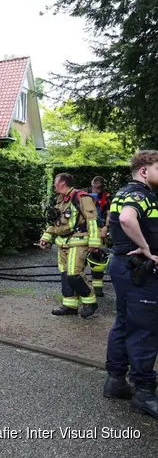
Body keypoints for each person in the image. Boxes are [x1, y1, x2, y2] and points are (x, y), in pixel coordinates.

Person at [103, 150, 158, 418]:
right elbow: (126, 218)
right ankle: (144, 393)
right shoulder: (139, 194)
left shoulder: (126, 192)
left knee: (124, 321)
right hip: (140, 270)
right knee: (144, 328)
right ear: (144, 170)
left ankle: (115, 381)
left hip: (124, 267)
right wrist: (146, 247)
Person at [39, 173, 101, 317]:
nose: (54, 184)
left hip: (78, 242)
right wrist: (46, 237)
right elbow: (56, 223)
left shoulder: (82, 198)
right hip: (63, 243)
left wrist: (94, 243)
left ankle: (90, 302)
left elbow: (92, 221)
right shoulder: (61, 200)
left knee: (74, 274)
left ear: (62, 183)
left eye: (55, 182)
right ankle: (70, 306)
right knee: (65, 275)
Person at [88, 176, 112, 297]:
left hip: (99, 228)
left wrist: (106, 227)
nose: (97, 190)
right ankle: (80, 285)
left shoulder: (106, 197)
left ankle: (97, 287)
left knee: (98, 258)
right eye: (96, 187)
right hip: (85, 229)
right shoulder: (83, 195)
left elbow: (109, 214)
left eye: (100, 187)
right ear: (92, 184)